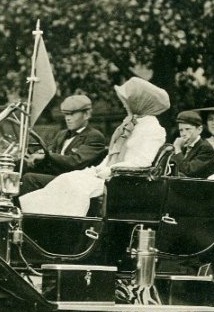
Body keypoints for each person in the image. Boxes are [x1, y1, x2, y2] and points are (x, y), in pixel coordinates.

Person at [19, 77, 169, 216]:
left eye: (127, 100)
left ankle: (61, 226)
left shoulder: (151, 129)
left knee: (73, 185)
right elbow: (111, 157)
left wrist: (107, 171)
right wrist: (96, 170)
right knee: (66, 179)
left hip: (122, 182)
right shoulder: (130, 124)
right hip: (110, 175)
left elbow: (141, 163)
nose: (124, 103)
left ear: (139, 102)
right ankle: (36, 219)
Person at [20, 94, 106, 194]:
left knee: (30, 179)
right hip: (58, 177)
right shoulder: (62, 134)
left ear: (86, 115)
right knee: (20, 166)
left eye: (72, 114)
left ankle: (22, 208)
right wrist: (32, 157)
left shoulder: (94, 136)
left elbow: (75, 162)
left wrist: (45, 156)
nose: (67, 118)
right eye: (66, 114)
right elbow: (50, 153)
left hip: (76, 183)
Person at [169, 110, 214, 178]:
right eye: (181, 130)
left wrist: (178, 149)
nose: (183, 134)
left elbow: (188, 171)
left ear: (199, 130)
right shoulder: (184, 146)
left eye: (188, 129)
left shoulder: (205, 148)